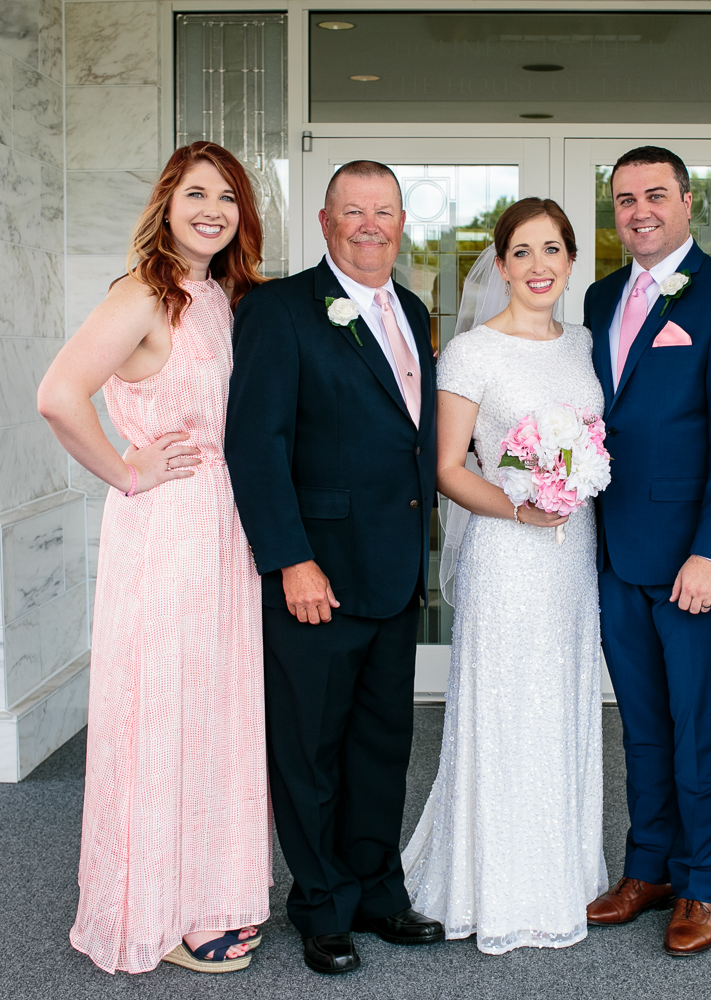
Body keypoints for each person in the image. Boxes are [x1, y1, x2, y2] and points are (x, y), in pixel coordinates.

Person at [38, 141, 270, 975]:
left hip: (227, 532)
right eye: (196, 193)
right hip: (168, 527)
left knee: (215, 714)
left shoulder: (220, 294)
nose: (213, 209)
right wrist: (127, 470)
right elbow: (58, 397)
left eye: (228, 197)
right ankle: (155, 908)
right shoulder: (142, 292)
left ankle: (209, 891)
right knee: (163, 713)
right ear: (167, 203)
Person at [225, 160, 445, 976]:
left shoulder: (415, 310)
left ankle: (378, 891)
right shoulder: (279, 310)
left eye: (382, 211)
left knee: (383, 743)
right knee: (309, 749)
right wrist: (290, 560)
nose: (369, 225)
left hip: (394, 573)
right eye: (352, 211)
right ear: (325, 222)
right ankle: (319, 902)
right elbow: (255, 444)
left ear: (399, 222)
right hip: (315, 576)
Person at [582, 146, 711, 956]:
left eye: (655, 195)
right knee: (644, 727)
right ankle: (648, 868)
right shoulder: (595, 298)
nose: (639, 211)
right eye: (625, 199)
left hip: (695, 560)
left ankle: (700, 883)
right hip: (612, 550)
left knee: (699, 727)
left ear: (688, 201)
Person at [402, 198, 608, 954]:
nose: (539, 265)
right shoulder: (471, 354)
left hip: (572, 551)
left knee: (561, 700)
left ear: (572, 258)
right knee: (508, 706)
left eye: (552, 249)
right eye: (522, 251)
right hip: (509, 549)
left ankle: (561, 874)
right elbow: (448, 468)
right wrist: (522, 510)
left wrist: (567, 487)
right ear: (500, 262)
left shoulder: (586, 344)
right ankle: (491, 883)